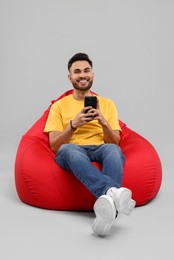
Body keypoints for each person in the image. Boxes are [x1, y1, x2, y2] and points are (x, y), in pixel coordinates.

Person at [44, 53, 136, 237]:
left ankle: (107, 211)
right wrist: (73, 125)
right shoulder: (58, 106)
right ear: (70, 77)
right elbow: (54, 146)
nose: (82, 75)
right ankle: (114, 193)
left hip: (100, 147)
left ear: (92, 75)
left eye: (86, 70)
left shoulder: (108, 104)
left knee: (113, 150)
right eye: (77, 72)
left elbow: (115, 142)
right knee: (68, 149)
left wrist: (103, 122)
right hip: (72, 150)